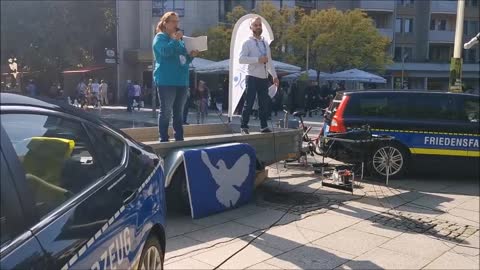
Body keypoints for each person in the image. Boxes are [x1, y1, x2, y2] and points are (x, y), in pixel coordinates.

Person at [153, 12, 199, 142]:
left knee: (179, 112)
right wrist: (175, 40)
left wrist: (192, 55)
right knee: (166, 111)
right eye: (173, 21)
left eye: (177, 21)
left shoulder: (179, 41)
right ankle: (163, 138)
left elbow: (183, 60)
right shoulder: (160, 37)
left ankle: (179, 137)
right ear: (165, 23)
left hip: (181, 81)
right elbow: (165, 52)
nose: (176, 24)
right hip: (166, 80)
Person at [238, 17, 279, 134]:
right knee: (249, 102)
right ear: (251, 27)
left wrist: (274, 76)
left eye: (259, 25)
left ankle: (263, 126)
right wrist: (257, 59)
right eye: (255, 25)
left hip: (264, 77)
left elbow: (269, 61)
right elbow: (241, 59)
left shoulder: (265, 43)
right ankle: (244, 126)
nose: (258, 27)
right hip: (251, 76)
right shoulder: (247, 42)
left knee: (264, 103)